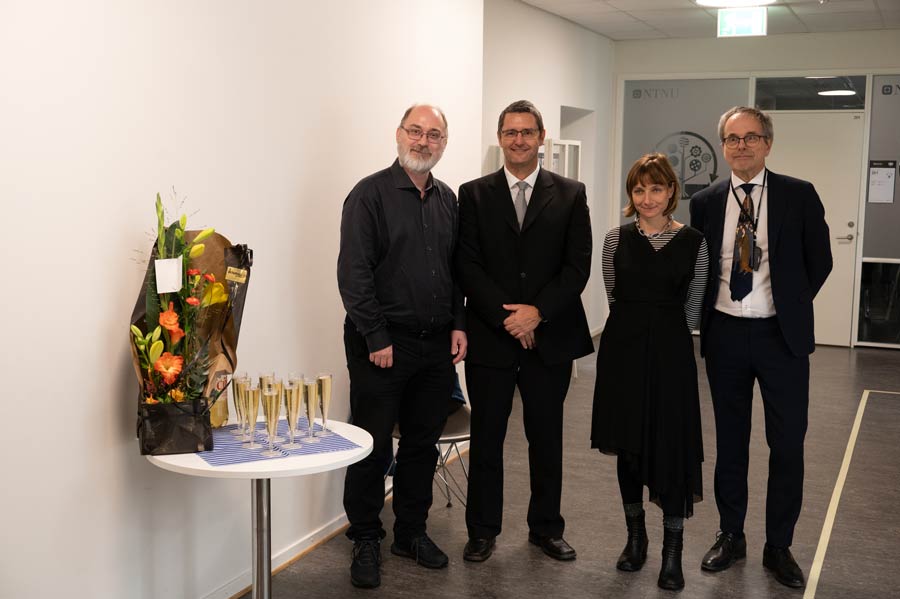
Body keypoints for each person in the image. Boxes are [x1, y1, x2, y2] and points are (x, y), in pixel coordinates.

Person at [690, 106, 833, 589]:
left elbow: (821, 260)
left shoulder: (798, 195)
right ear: (724, 147)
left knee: (786, 444)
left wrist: (790, 305)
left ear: (768, 144)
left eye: (752, 138)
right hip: (726, 334)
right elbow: (704, 267)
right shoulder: (706, 201)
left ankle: (779, 544)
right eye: (733, 139)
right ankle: (731, 534)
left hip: (781, 338)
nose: (743, 146)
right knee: (730, 443)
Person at [455, 100, 593, 563]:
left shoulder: (572, 194)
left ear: (541, 137)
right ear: (500, 138)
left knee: (546, 437)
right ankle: (482, 530)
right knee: (487, 439)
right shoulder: (472, 194)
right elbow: (467, 265)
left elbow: (577, 268)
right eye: (511, 132)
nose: (519, 140)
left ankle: (546, 528)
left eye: (527, 132)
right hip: (492, 339)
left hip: (549, 338)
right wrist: (509, 318)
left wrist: (538, 313)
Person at [337, 103, 467, 589]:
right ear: (398, 134)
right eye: (416, 131)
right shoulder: (369, 195)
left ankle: (410, 531)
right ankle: (366, 535)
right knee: (370, 447)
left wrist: (459, 323)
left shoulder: (447, 199)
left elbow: (454, 272)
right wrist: (376, 336)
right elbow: (353, 274)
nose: (424, 141)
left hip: (435, 346)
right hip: (382, 345)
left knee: (421, 445)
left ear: (443, 144)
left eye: (434, 135)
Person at [591, 153, 708, 591]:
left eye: (655, 188)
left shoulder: (695, 241)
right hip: (623, 351)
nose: (646, 198)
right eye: (638, 190)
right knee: (628, 446)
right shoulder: (614, 239)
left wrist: (665, 331)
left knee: (672, 446)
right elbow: (614, 297)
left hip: (672, 352)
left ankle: (672, 551)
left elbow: (694, 304)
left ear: (672, 192)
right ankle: (635, 537)